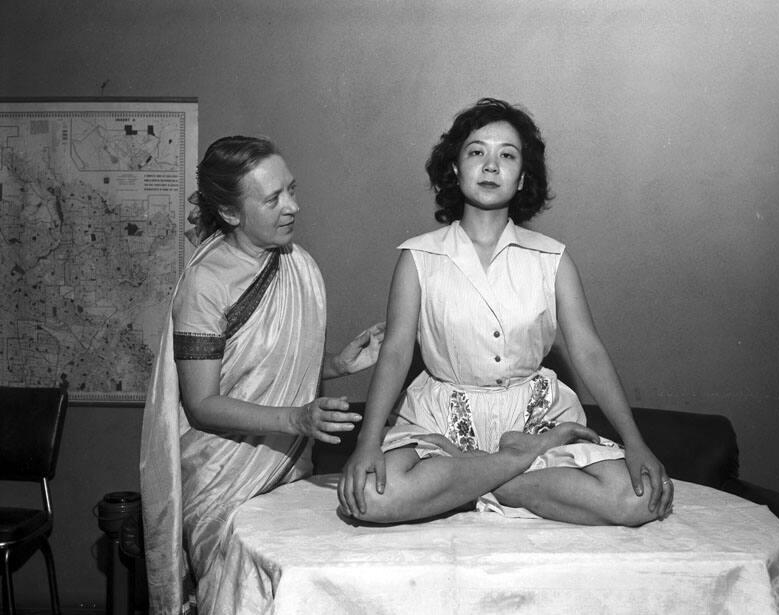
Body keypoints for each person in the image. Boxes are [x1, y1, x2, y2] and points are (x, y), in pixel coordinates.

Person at [338, 98, 673, 526]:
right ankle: (519, 459)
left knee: (637, 499)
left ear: (521, 177)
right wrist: (368, 442)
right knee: (368, 498)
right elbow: (397, 351)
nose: (491, 166)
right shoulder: (418, 256)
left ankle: (471, 480)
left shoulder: (552, 258)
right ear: (456, 169)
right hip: (441, 416)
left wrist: (635, 441)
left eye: (507, 156)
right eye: (477, 152)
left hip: (535, 415)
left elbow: (587, 350)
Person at [140, 136, 384, 614]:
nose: (292, 206)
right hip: (220, 479)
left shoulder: (299, 265)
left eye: (291, 190)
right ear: (231, 214)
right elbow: (203, 403)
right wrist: (297, 420)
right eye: (273, 199)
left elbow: (266, 367)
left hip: (286, 470)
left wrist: (336, 365)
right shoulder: (206, 284)